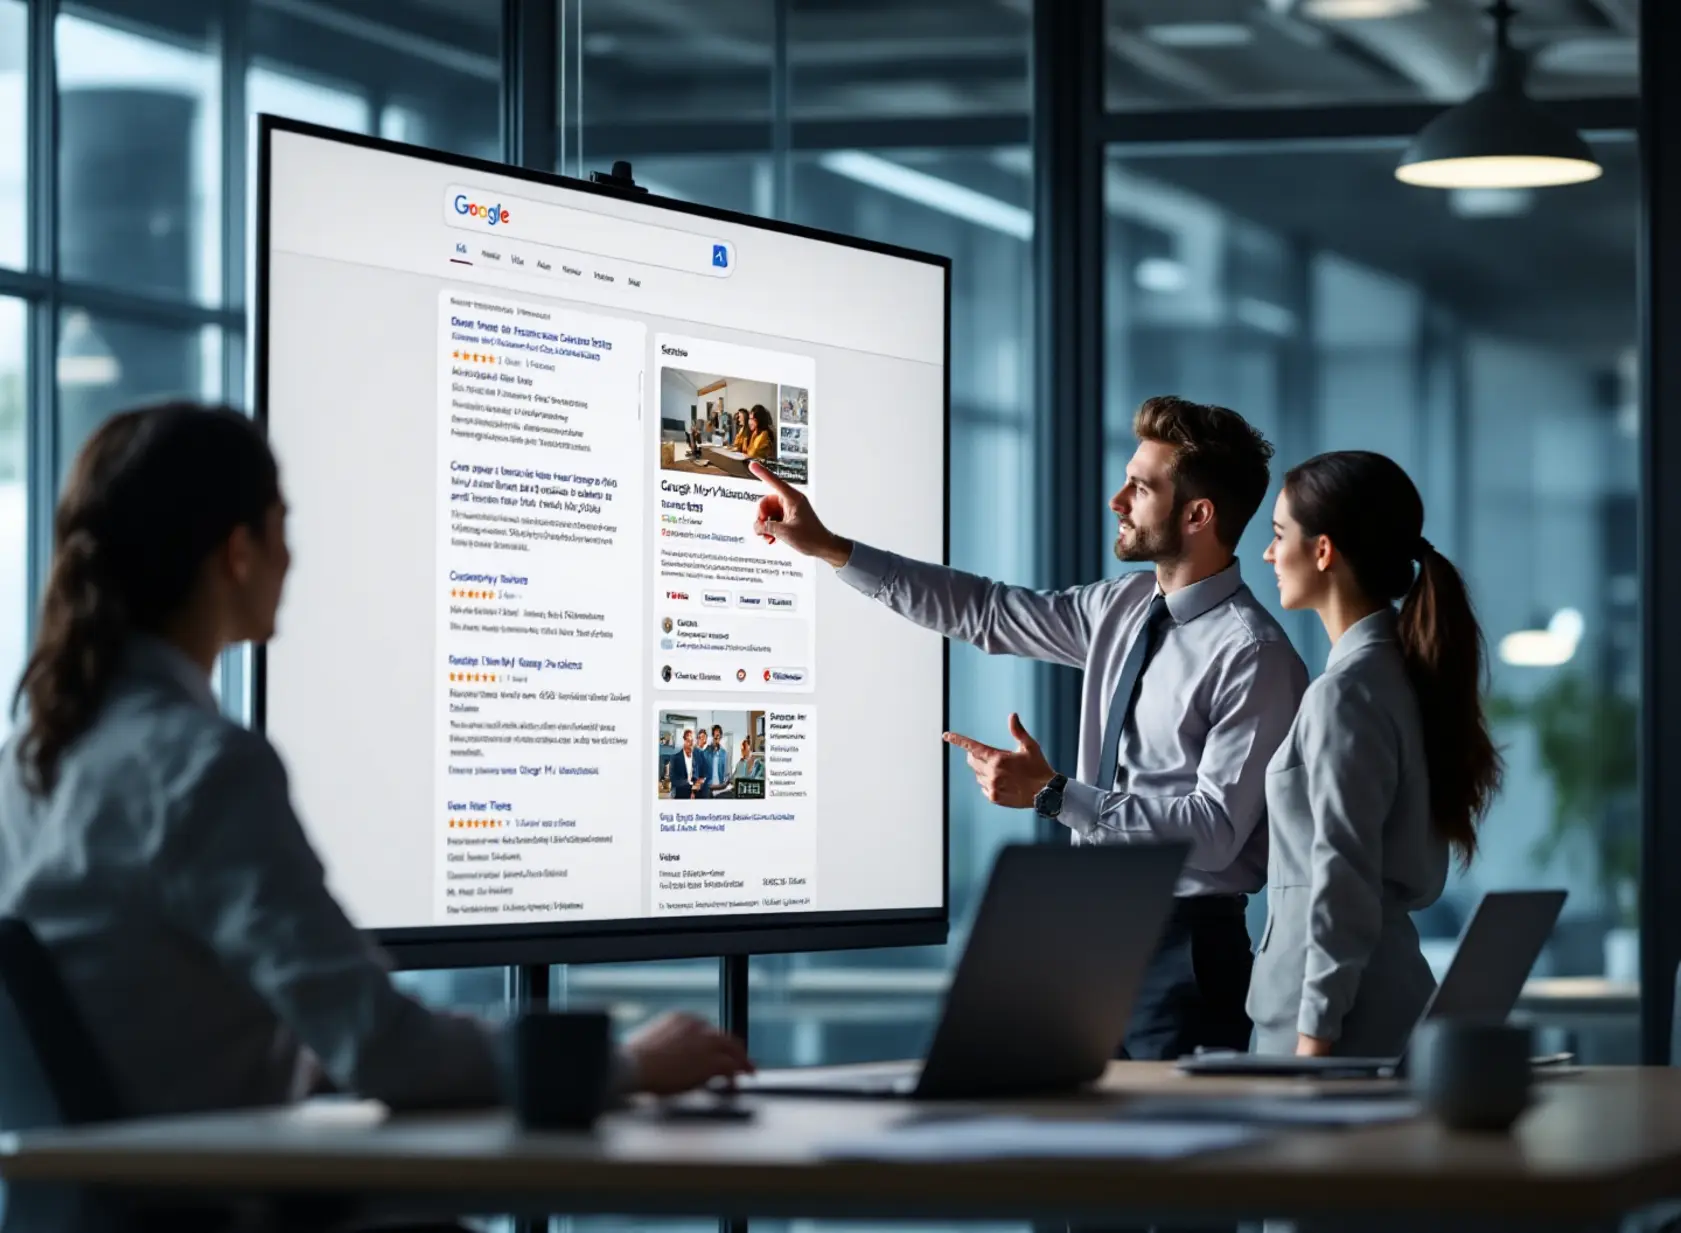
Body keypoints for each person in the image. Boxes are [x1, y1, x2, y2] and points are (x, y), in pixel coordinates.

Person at [0, 402, 753, 1117]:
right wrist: (627, 1063)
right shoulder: (203, 767)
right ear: (237, 551)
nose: (292, 555)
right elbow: (381, 1048)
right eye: (281, 527)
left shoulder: (26, 763)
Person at [750, 396, 1307, 1059]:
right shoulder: (1121, 605)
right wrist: (832, 549)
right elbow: (986, 610)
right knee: (1074, 1146)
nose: (1116, 499)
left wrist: (1054, 794)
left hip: (1184, 951)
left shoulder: (1254, 654)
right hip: (1089, 939)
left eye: (1140, 485)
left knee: (1169, 1155)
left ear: (1196, 514)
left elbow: (1214, 834)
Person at [1251, 451, 1502, 1058]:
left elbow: (1343, 874)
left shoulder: (1346, 694)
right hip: (1373, 998)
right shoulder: (1403, 677)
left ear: (1323, 551)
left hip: (1332, 1022)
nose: (1267, 553)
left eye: (1279, 534)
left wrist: (1315, 1035)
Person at [667, 728, 701, 801]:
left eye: (693, 741)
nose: (691, 744)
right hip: (680, 796)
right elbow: (673, 779)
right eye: (689, 741)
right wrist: (690, 784)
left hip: (693, 797)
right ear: (684, 741)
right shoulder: (675, 758)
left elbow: (696, 777)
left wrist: (694, 791)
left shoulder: (696, 758)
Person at [709, 723, 731, 794]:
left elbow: (727, 773)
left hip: (720, 787)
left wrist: (725, 783)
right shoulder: (707, 751)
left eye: (718, 736)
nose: (716, 739)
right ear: (712, 736)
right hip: (709, 787)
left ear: (721, 737)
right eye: (715, 736)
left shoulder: (724, 753)